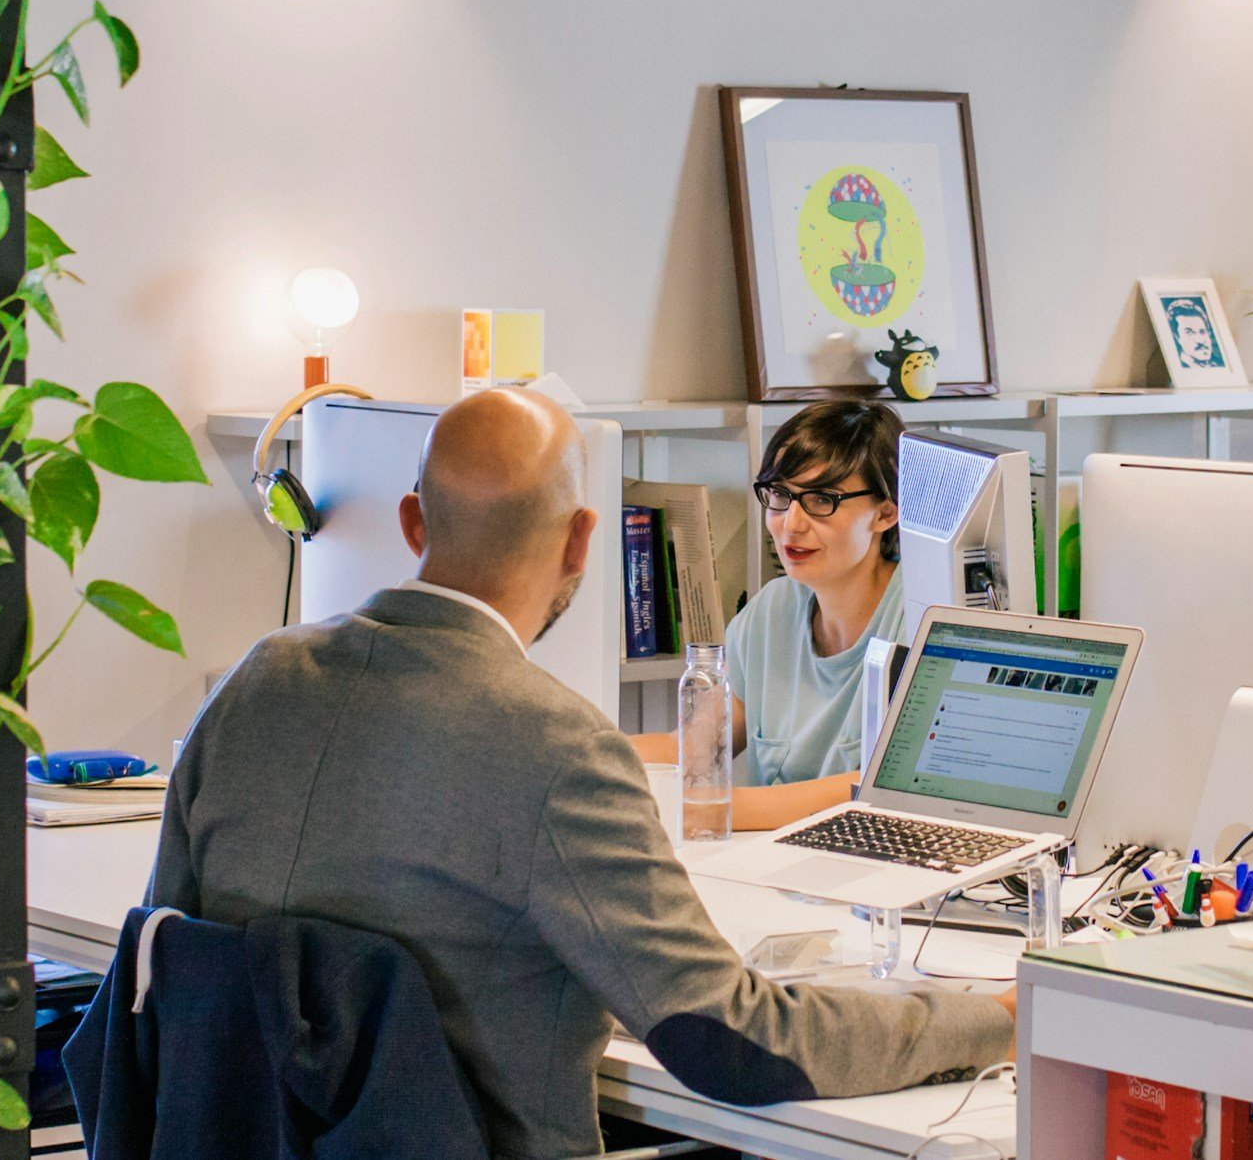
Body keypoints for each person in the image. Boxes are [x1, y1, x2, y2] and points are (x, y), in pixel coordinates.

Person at [151, 388, 1011, 1156]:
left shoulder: (255, 682)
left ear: (413, 524)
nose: (793, 520)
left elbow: (164, 950)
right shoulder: (559, 752)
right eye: (781, 498)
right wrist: (993, 1020)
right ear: (582, 540)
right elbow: (735, 1042)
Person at [633, 400, 904, 830]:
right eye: (780, 496)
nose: (789, 524)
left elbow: (885, 792)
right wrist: (580, 757)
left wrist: (712, 809)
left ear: (886, 512)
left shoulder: (918, 617)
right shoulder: (771, 611)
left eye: (821, 500)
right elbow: (691, 750)